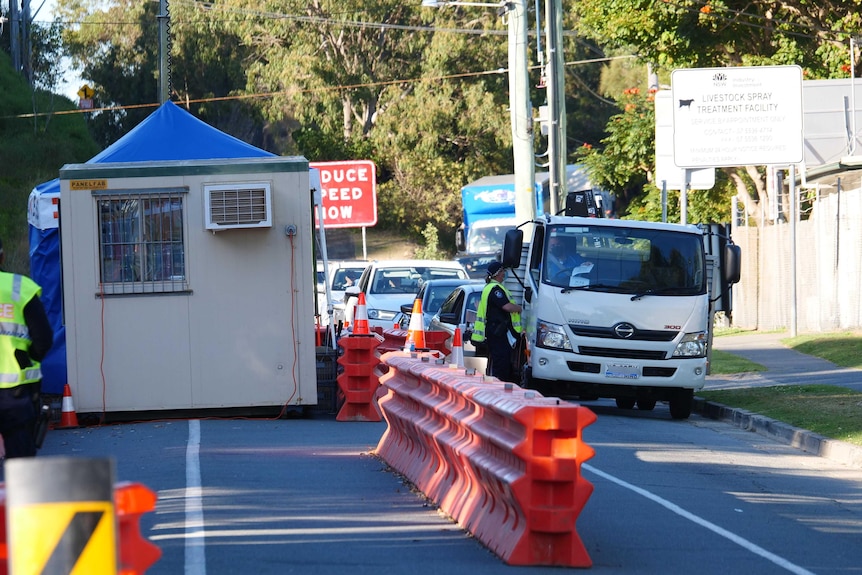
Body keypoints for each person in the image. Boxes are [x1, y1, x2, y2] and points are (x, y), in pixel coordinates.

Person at [0, 237, 54, 459]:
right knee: (21, 468)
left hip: (16, 392)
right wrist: (28, 356)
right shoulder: (19, 288)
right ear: (2, 255)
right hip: (16, 391)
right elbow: (43, 338)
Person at [471, 261, 522, 383]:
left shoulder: (490, 288)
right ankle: (499, 387)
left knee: (501, 361)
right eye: (503, 271)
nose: (505, 273)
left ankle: (499, 385)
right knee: (501, 362)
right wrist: (519, 308)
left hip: (495, 330)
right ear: (498, 274)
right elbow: (507, 307)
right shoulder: (495, 289)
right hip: (497, 331)